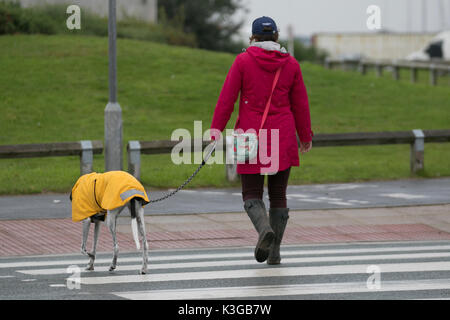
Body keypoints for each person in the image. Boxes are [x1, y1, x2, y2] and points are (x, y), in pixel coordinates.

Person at [210, 16, 313, 264]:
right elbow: (300, 103)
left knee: (251, 194)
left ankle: (263, 230)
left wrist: (216, 130)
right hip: (283, 135)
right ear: (276, 37)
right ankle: (275, 252)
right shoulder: (291, 64)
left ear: (253, 37)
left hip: (249, 134)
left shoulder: (243, 61)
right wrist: (305, 136)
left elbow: (227, 99)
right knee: (278, 196)